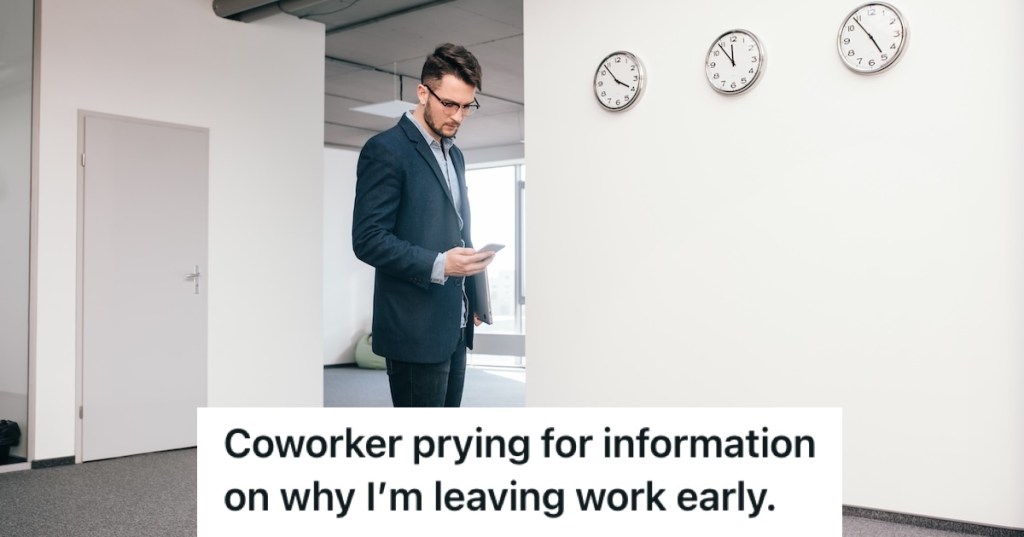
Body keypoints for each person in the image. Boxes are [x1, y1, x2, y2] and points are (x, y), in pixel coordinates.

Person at [352, 43, 495, 407]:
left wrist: (475, 295)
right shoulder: (386, 149)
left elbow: (458, 231)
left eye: (467, 106)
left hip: (455, 322)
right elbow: (368, 239)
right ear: (422, 92)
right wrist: (441, 264)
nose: (458, 116)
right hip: (414, 328)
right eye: (449, 104)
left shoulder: (455, 154)